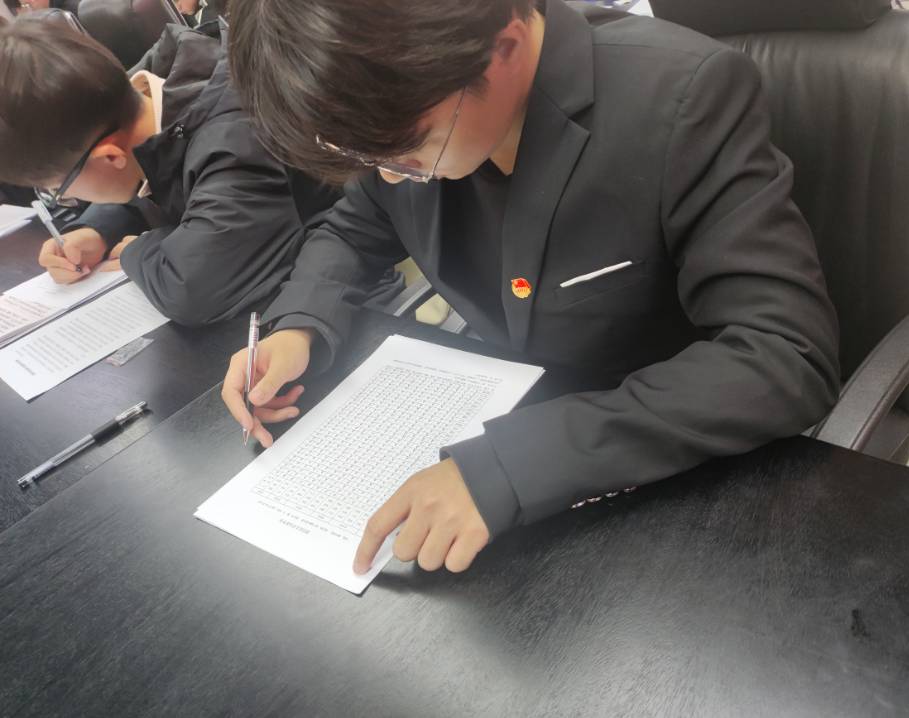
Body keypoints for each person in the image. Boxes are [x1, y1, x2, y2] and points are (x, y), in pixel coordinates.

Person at [221, 0, 842, 574]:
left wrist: (513, 465)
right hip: (501, 420)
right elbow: (355, 227)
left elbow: (784, 354)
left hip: (663, 479)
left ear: (506, 48)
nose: (390, 177)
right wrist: (300, 323)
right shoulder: (403, 104)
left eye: (407, 152)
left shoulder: (684, 99)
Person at [0, 18, 346, 325]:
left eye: (59, 188)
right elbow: (149, 169)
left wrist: (139, 249)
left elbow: (192, 289)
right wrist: (97, 229)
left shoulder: (233, 143)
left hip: (336, 294)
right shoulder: (144, 93)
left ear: (109, 156)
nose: (66, 197)